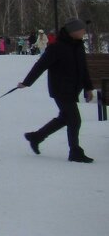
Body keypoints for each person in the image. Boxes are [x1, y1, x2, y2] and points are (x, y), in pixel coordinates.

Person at [19, 18, 94, 163]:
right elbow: (40, 66)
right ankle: (75, 152)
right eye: (82, 30)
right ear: (73, 32)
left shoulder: (78, 46)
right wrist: (26, 82)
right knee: (74, 120)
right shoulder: (56, 47)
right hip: (60, 89)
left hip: (73, 89)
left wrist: (88, 88)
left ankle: (36, 137)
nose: (84, 32)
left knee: (65, 118)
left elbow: (83, 69)